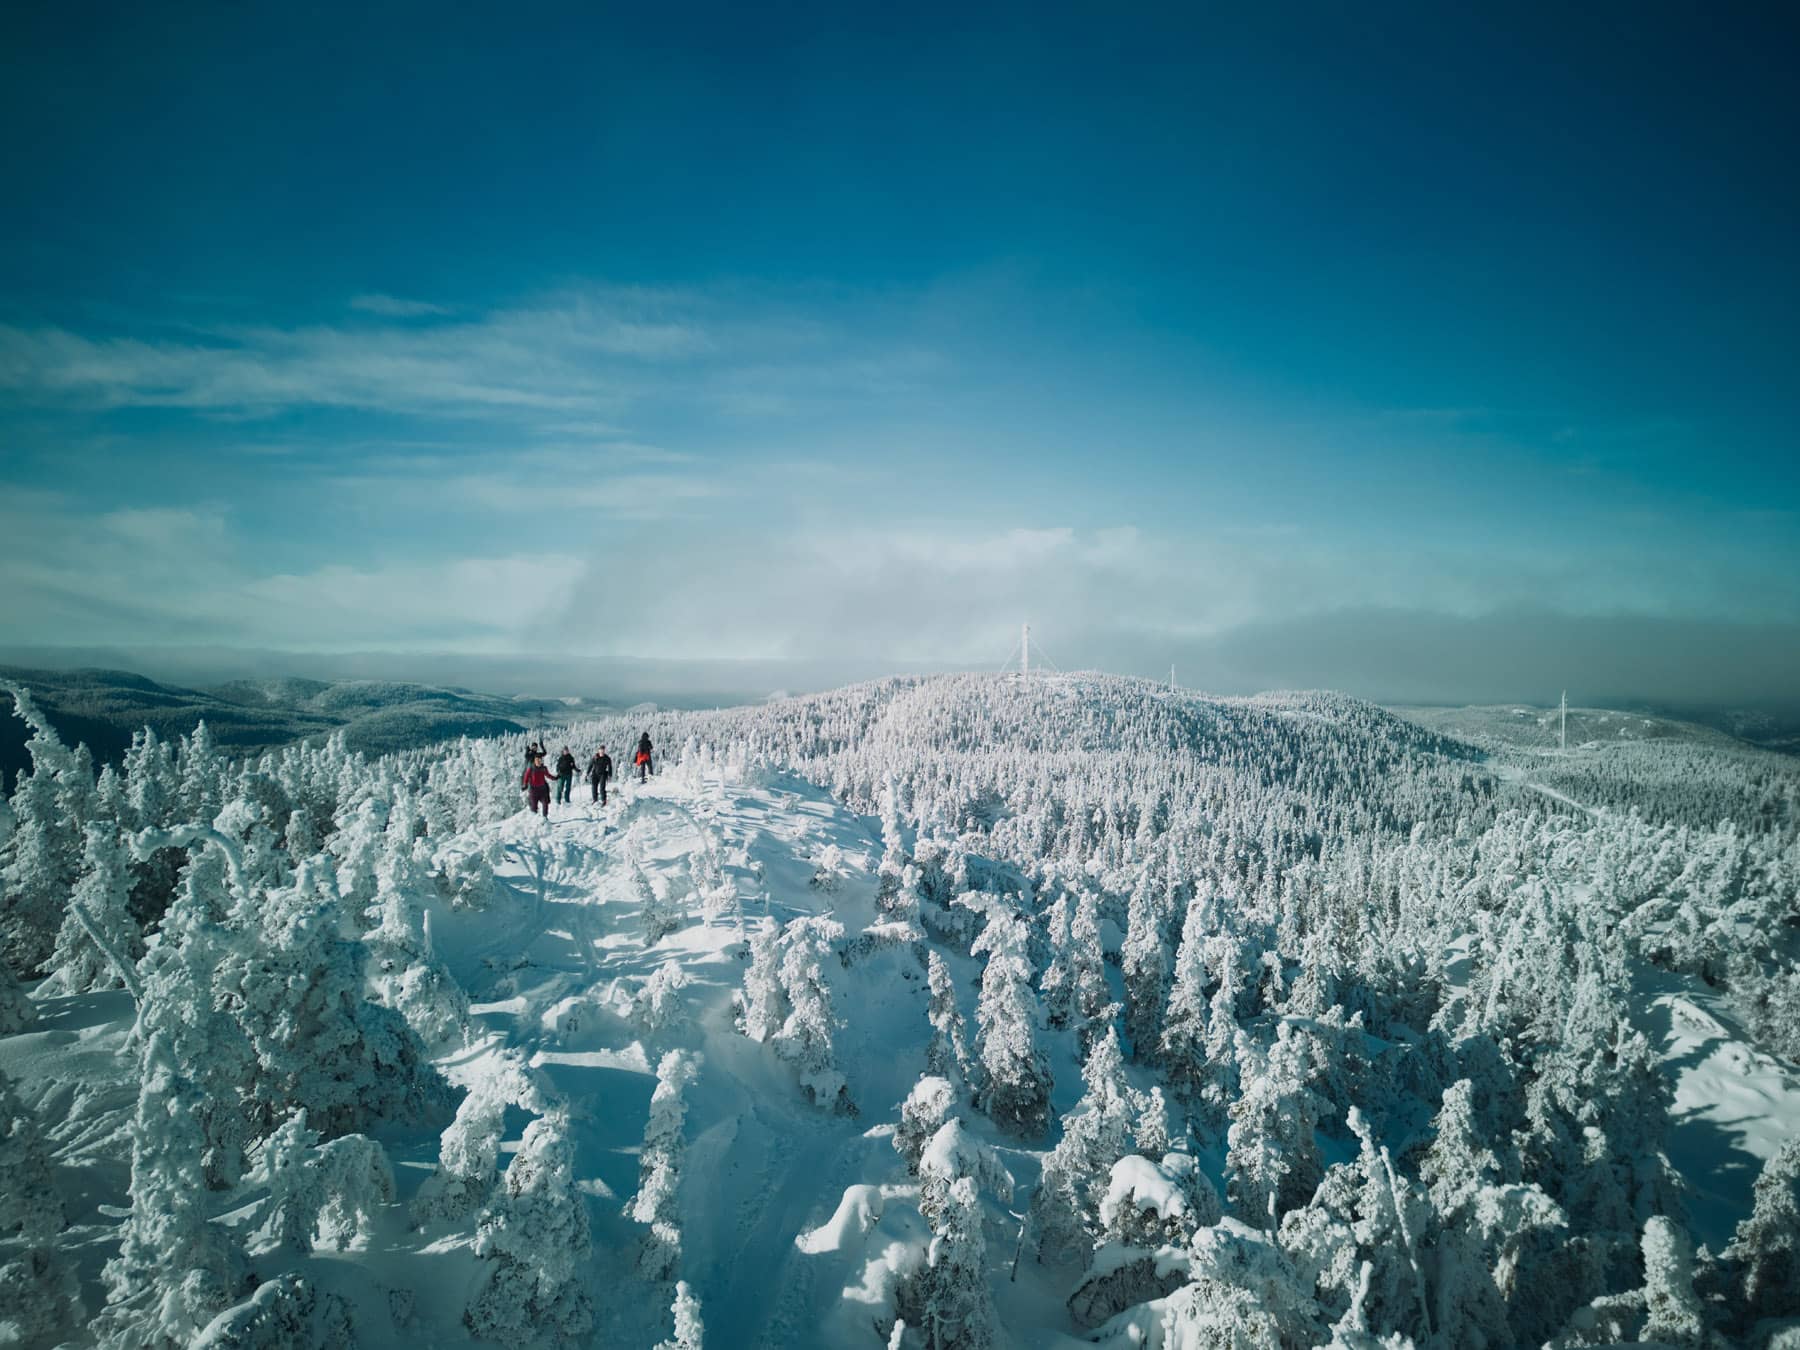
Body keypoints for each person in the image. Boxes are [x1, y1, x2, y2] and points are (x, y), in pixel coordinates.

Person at [521, 752, 552, 819]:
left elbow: (548, 775)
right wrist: (525, 784)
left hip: (542, 789)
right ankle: (535, 821)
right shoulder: (531, 768)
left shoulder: (543, 768)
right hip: (533, 790)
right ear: (535, 761)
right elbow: (526, 776)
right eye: (537, 760)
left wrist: (555, 778)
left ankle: (545, 818)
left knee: (545, 803)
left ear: (541, 761)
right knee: (533, 807)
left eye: (539, 760)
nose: (538, 762)